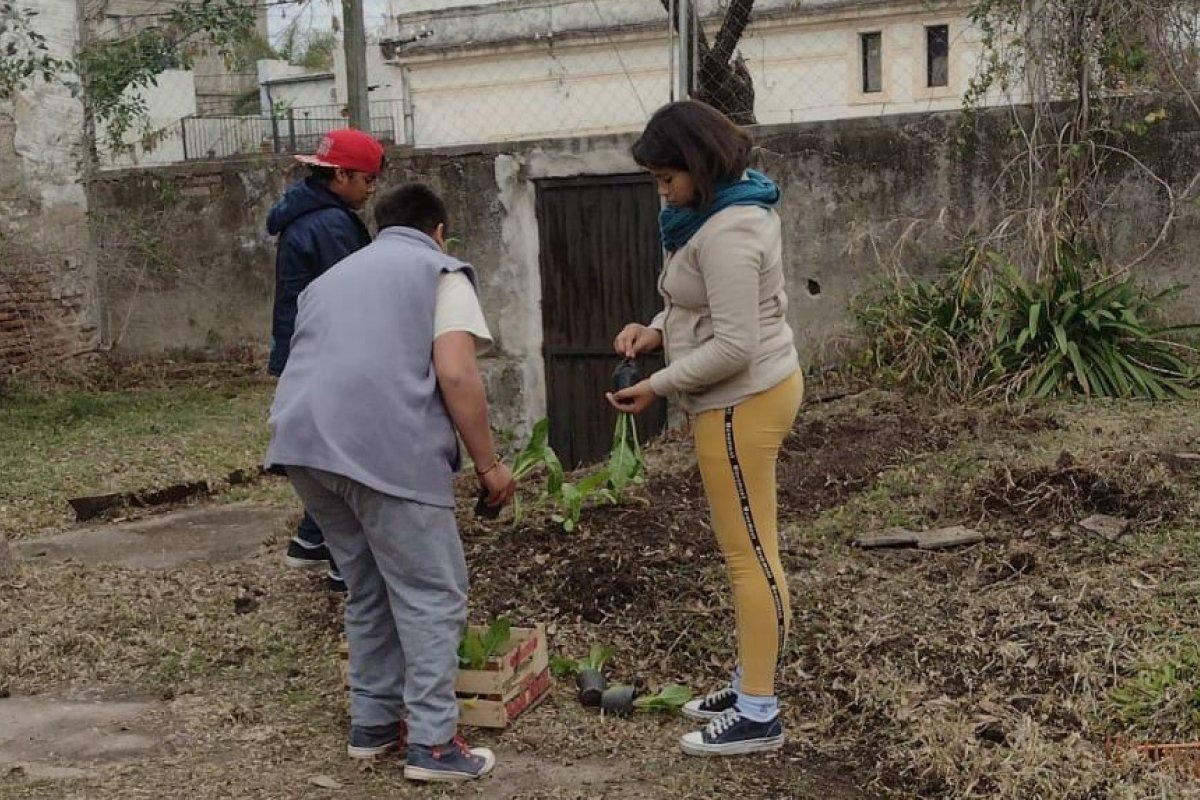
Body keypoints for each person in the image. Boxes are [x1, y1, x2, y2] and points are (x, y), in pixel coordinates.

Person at [264, 183, 515, 783]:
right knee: (432, 593)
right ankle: (433, 745)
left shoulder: (333, 279)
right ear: (439, 232)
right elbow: (457, 374)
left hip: (303, 445)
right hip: (382, 445)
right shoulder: (440, 272)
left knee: (369, 586)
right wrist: (489, 466)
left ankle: (373, 724)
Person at [607, 100, 803, 757]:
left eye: (668, 178)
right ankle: (751, 681)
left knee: (751, 557)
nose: (662, 192)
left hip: (741, 401)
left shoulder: (729, 231)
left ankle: (759, 713)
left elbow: (735, 347)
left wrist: (657, 384)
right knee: (754, 550)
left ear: (699, 164)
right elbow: (706, 310)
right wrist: (655, 329)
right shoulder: (721, 212)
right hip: (742, 395)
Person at [266, 128, 385, 592]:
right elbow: (354, 292)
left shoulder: (310, 214)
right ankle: (343, 563)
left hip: (307, 350)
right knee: (347, 455)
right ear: (340, 176)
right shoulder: (331, 225)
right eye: (367, 180)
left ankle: (312, 539)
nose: (371, 190)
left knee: (327, 451)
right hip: (329, 353)